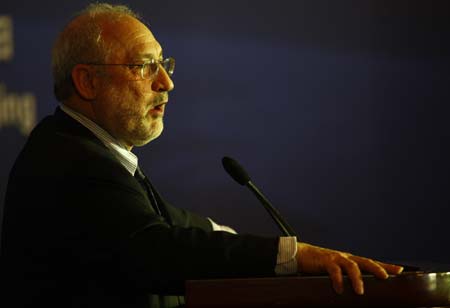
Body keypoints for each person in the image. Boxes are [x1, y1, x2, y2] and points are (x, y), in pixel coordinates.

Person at [0, 3, 403, 308]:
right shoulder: (73, 161)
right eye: (144, 66)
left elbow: (177, 224)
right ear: (87, 81)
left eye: (164, 63)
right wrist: (292, 256)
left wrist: (296, 254)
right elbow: (158, 249)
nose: (167, 82)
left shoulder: (85, 149)